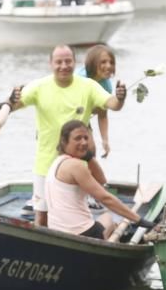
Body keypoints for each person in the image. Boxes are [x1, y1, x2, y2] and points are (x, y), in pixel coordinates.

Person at [9, 45, 128, 227]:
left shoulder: (88, 86)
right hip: (45, 164)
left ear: (74, 63)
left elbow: (112, 105)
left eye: (68, 61)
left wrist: (120, 98)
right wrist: (11, 100)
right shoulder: (39, 86)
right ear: (51, 64)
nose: (63, 66)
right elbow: (12, 106)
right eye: (59, 62)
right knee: (42, 217)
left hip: (76, 167)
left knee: (79, 215)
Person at [44, 120, 147, 239]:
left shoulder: (57, 162)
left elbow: (101, 180)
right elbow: (105, 198)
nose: (83, 142)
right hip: (83, 233)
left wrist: (88, 157)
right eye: (77, 138)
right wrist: (137, 219)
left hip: (58, 233)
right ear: (64, 141)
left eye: (86, 138)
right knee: (108, 217)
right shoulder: (76, 166)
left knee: (105, 218)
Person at [75, 44, 116, 158]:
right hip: (65, 118)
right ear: (93, 63)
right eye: (103, 62)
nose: (108, 66)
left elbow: (102, 115)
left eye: (111, 62)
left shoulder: (106, 85)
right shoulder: (80, 79)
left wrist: (105, 140)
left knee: (90, 151)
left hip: (83, 121)